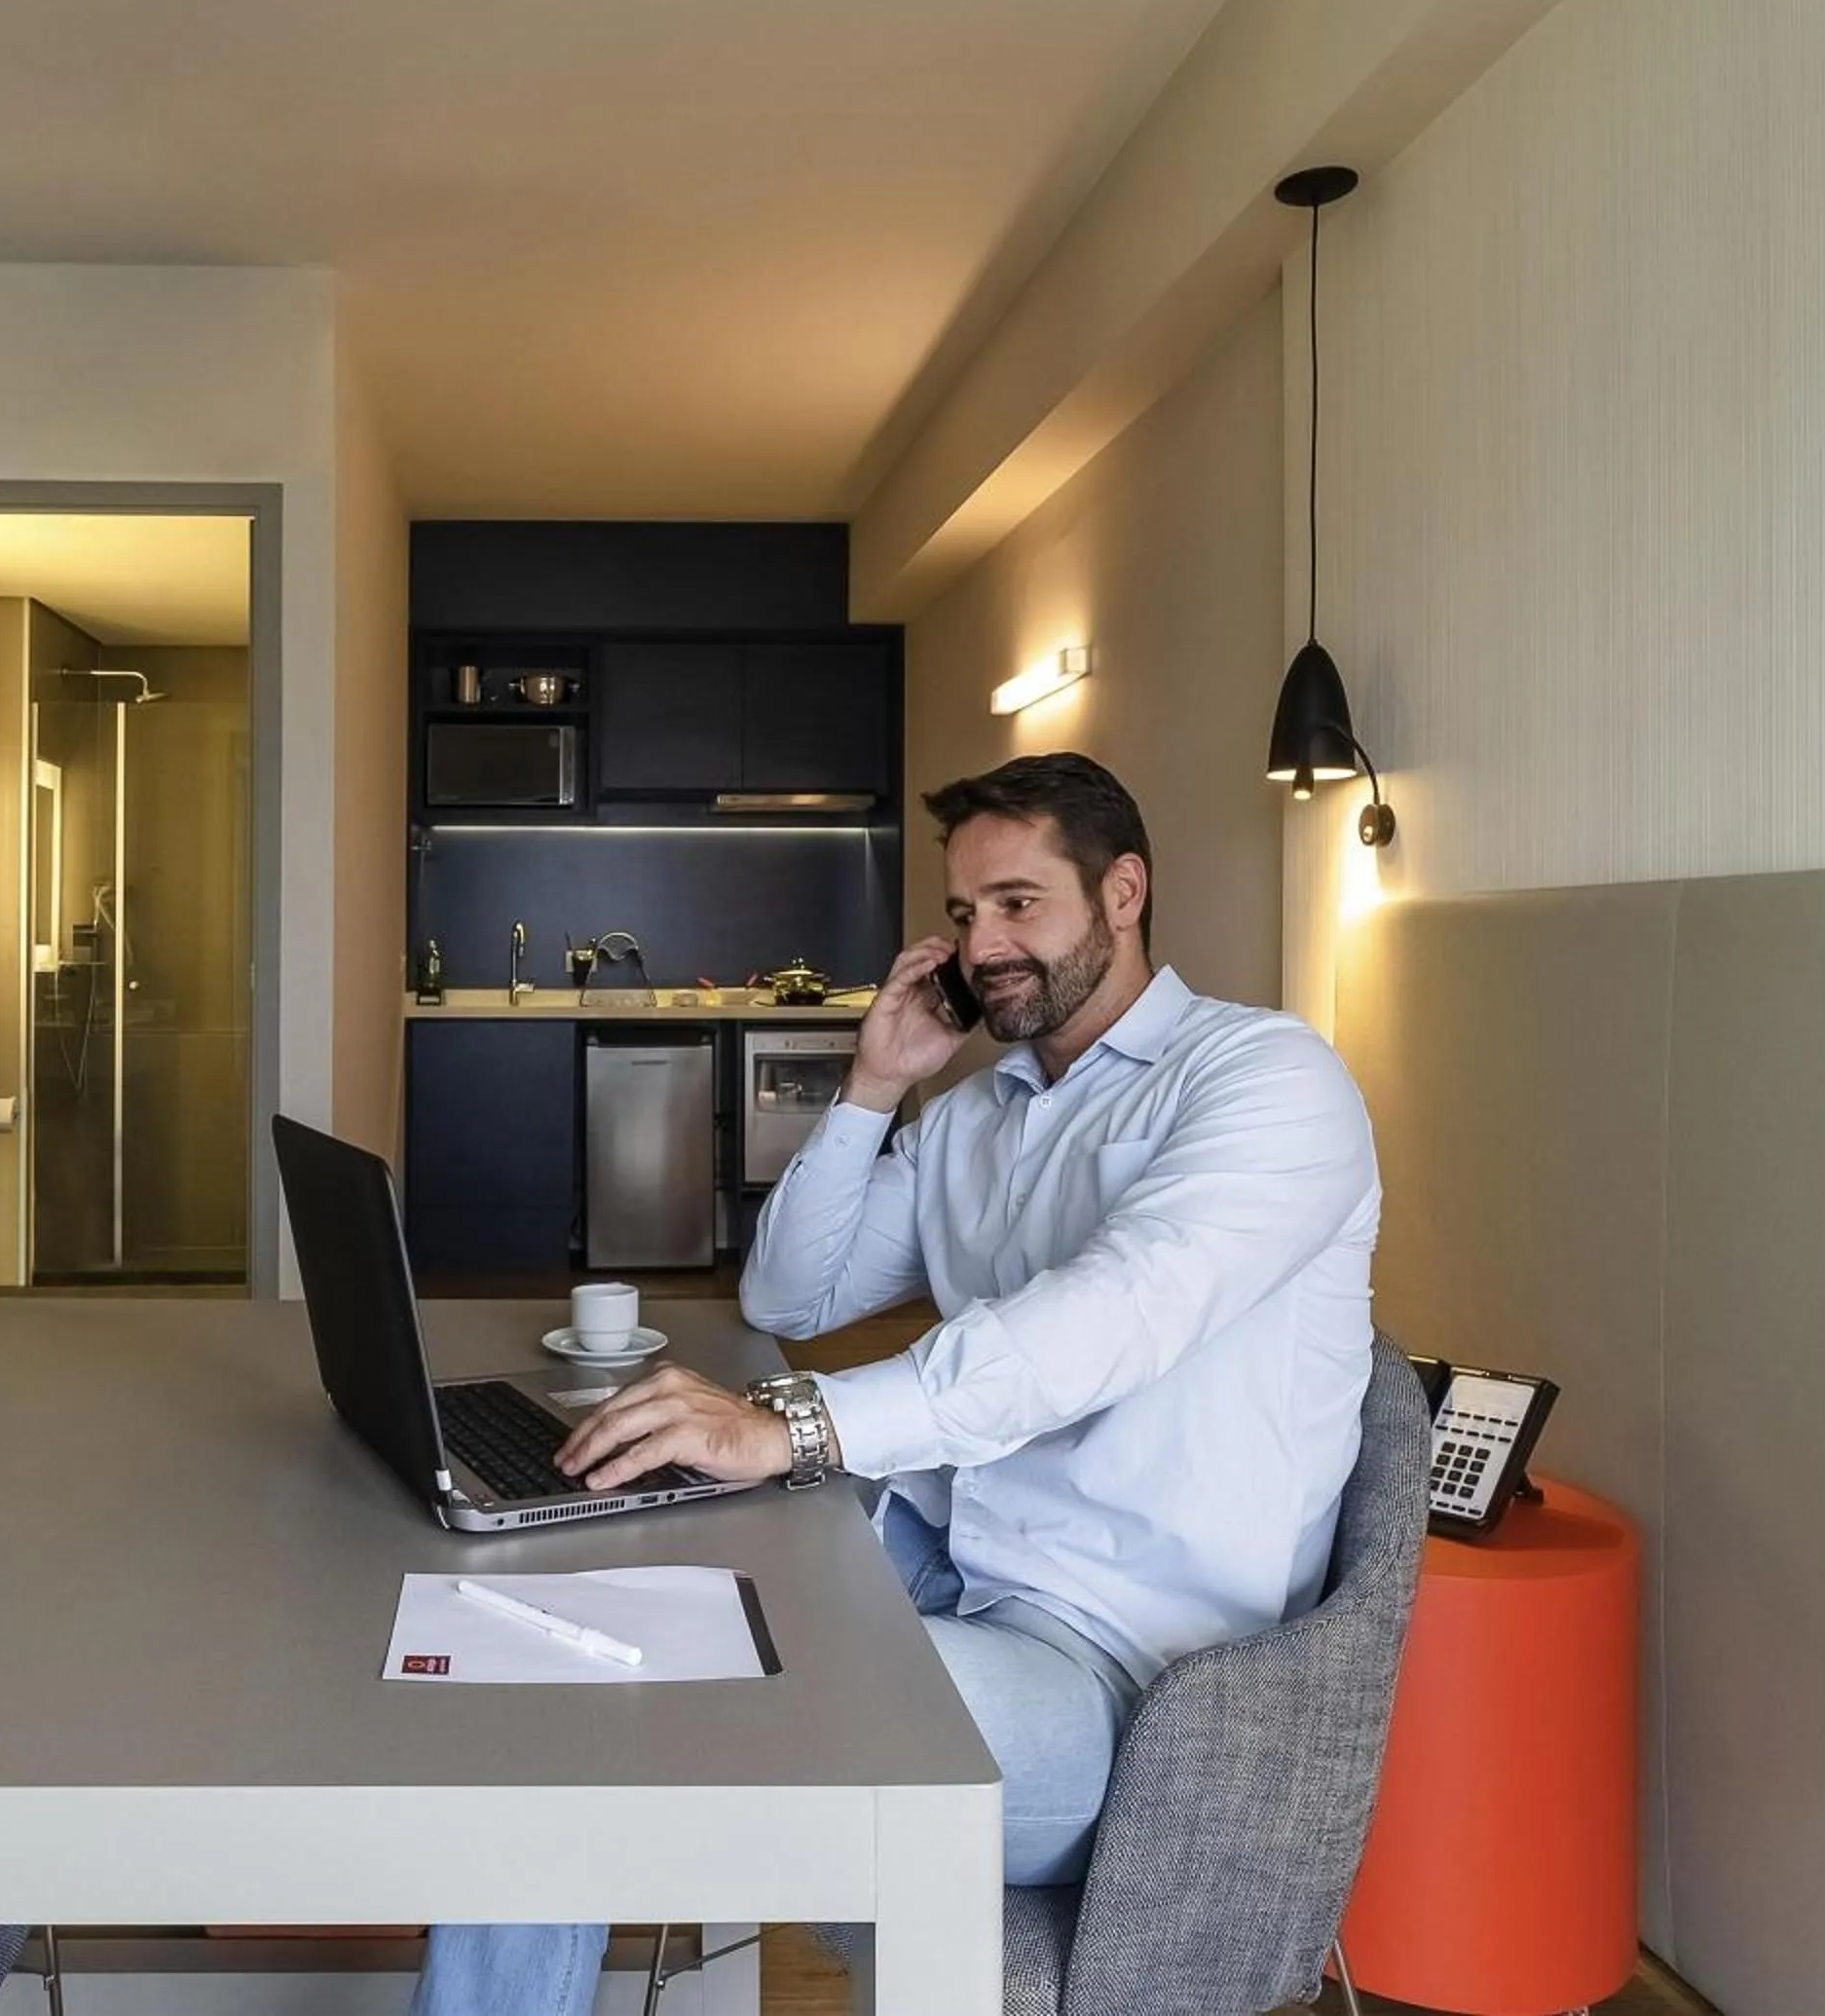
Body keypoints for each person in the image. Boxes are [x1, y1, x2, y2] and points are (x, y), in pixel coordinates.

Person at [411, 752, 1380, 2016]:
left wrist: (791, 1422)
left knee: (589, 1726)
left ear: (1124, 891)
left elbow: (1096, 1323)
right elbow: (788, 1296)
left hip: (1132, 1685)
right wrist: (875, 1080)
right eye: (967, 913)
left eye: (1019, 903)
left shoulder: (1267, 1082)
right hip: (948, 1565)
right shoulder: (985, 1112)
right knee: (578, 1613)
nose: (984, 946)